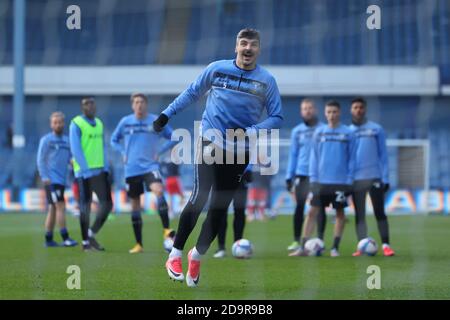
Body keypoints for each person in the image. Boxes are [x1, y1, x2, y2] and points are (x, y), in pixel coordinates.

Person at [153, 28, 283, 287]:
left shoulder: (266, 80)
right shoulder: (217, 69)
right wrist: (166, 114)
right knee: (199, 197)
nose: (247, 48)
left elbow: (277, 117)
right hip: (210, 142)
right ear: (236, 46)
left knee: (220, 208)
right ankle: (175, 254)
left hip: (240, 151)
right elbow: (192, 92)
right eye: (243, 43)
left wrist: (253, 131)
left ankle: (197, 255)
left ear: (258, 49)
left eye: (252, 44)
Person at [110, 93, 177, 254]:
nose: (139, 105)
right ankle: (139, 244)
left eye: (142, 102)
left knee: (159, 190)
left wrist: (159, 151)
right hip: (131, 169)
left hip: (149, 167)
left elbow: (174, 137)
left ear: (146, 104)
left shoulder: (155, 121)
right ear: (133, 105)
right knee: (135, 204)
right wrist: (122, 151)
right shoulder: (125, 122)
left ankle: (167, 231)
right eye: (136, 102)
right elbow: (114, 139)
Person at [293, 100, 355, 257]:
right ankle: (303, 247)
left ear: (339, 113)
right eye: (329, 112)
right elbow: (314, 158)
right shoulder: (319, 133)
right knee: (312, 212)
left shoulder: (348, 133)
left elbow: (352, 159)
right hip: (321, 182)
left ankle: (335, 248)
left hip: (340, 182)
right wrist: (313, 179)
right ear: (325, 114)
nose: (332, 115)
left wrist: (349, 180)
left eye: (335, 112)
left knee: (340, 214)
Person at [349, 97, 395, 257]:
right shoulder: (348, 131)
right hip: (356, 179)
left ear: (365, 109)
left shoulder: (376, 129)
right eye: (355, 107)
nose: (358, 110)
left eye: (361, 107)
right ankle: (361, 246)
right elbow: (347, 158)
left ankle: (386, 245)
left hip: (375, 177)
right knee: (359, 215)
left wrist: (386, 178)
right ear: (351, 110)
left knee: (379, 212)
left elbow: (383, 155)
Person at [70, 97, 113, 252]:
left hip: (100, 170)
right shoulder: (76, 123)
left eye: (92, 103)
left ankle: (90, 233)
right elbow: (76, 149)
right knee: (85, 206)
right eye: (86, 104)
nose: (89, 106)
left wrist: (106, 166)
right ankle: (85, 242)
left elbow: (102, 147)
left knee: (108, 204)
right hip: (84, 173)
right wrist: (85, 169)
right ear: (82, 108)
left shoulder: (99, 123)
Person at [285, 99, 327, 253]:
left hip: (319, 175)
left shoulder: (324, 129)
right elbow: (293, 154)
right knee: (299, 207)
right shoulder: (297, 131)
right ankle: (297, 240)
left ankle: (320, 240)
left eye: (310, 108)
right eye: (304, 109)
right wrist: (289, 176)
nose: (307, 111)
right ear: (301, 112)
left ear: (315, 110)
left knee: (320, 207)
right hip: (302, 174)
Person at [36, 112, 77, 247]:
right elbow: (41, 160)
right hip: (51, 181)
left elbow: (71, 159)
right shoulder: (46, 140)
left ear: (64, 123)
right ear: (51, 124)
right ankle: (65, 238)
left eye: (60, 122)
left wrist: (74, 164)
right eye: (55, 122)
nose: (58, 125)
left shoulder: (67, 141)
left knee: (53, 208)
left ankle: (48, 239)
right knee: (61, 206)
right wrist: (45, 177)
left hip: (61, 180)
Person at [213, 167, 252, 258]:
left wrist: (248, 170)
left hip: (240, 177)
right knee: (221, 213)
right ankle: (221, 247)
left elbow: (249, 153)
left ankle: (238, 244)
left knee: (240, 212)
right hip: (223, 177)